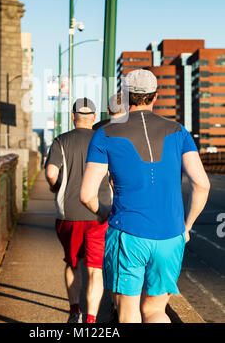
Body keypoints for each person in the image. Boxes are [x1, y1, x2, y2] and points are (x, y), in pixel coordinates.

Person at [80, 69, 210, 323]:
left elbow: (86, 194)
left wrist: (103, 211)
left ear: (126, 96)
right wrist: (187, 226)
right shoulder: (179, 131)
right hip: (171, 235)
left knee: (128, 312)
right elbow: (202, 184)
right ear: (156, 96)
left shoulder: (104, 134)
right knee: (155, 310)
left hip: (128, 233)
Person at [45, 98, 113, 324]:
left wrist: (56, 187)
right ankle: (91, 319)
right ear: (94, 118)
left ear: (73, 117)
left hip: (69, 214)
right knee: (95, 269)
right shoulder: (104, 140)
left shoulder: (60, 141)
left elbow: (51, 174)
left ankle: (75, 311)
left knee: (73, 263)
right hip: (99, 212)